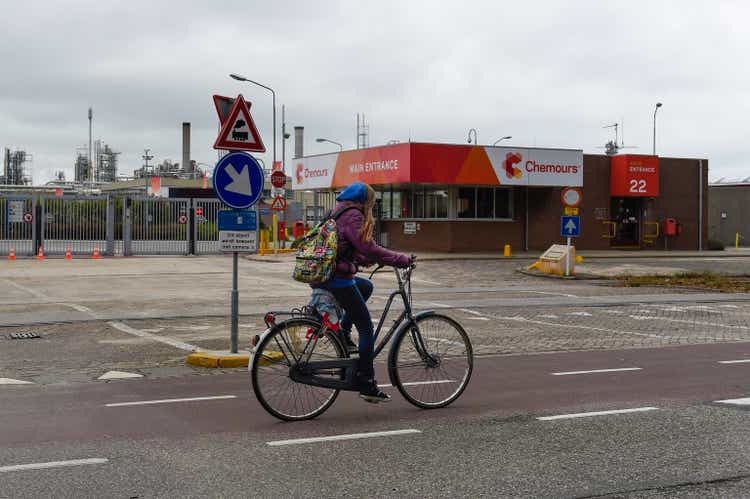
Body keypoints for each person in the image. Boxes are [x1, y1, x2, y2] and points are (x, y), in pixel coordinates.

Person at [314, 181, 412, 403]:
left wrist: (364, 260)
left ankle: (343, 333)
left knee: (366, 286)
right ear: (363, 200)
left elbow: (344, 245)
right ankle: (366, 382)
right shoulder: (353, 215)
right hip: (338, 279)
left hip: (328, 274)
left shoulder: (337, 210)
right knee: (367, 328)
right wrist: (401, 259)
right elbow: (368, 246)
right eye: (371, 202)